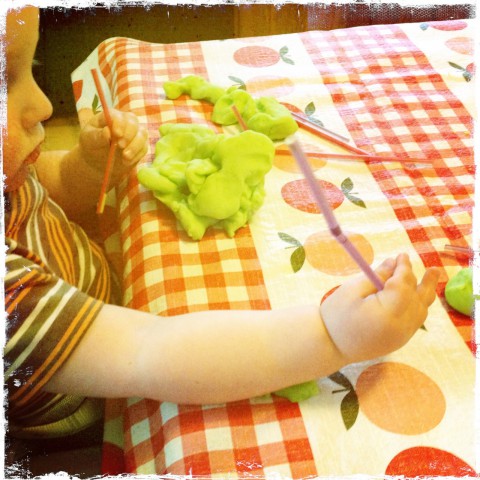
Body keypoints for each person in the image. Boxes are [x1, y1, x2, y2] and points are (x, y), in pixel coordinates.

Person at [4, 5, 440, 446]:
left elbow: (53, 188)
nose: (41, 105)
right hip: (81, 402)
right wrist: (333, 335)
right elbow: (149, 352)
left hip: (95, 290)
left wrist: (88, 166)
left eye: (29, 69)